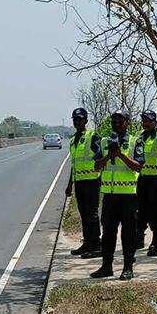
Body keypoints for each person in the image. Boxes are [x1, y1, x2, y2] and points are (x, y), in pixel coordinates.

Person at [91, 110, 145, 280]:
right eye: (114, 122)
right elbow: (96, 167)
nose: (117, 125)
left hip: (129, 196)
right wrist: (109, 155)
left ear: (127, 122)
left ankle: (128, 267)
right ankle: (106, 266)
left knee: (128, 234)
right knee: (108, 233)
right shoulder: (105, 142)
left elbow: (138, 167)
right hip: (109, 195)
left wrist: (121, 155)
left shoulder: (136, 141)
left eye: (120, 122)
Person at [64, 108, 103, 258]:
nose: (77, 122)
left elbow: (101, 158)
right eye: (75, 119)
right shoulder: (73, 140)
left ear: (86, 121)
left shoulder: (92, 137)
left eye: (80, 119)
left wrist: (101, 176)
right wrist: (69, 184)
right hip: (79, 181)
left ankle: (96, 245)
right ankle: (87, 243)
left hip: (92, 181)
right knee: (83, 214)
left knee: (92, 214)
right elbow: (74, 164)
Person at [136, 110, 157, 256]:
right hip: (143, 178)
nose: (146, 124)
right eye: (144, 121)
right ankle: (142, 238)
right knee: (141, 211)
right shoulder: (140, 136)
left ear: (155, 121)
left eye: (149, 121)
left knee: (155, 213)